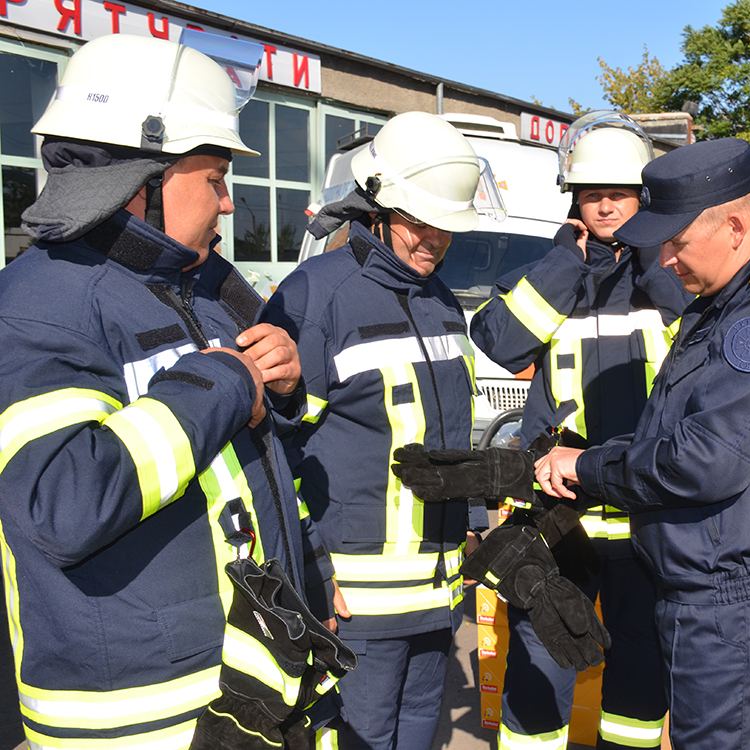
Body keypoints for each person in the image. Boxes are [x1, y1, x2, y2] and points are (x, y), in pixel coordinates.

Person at [0, 32, 342, 748]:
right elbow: (61, 504)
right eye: (214, 178)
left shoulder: (198, 287)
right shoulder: (37, 305)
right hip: (143, 709)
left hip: (242, 674)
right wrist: (224, 381)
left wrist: (279, 388)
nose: (225, 204)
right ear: (141, 179)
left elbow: (252, 464)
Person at [524, 138, 750, 750]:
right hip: (706, 591)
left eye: (676, 242)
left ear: (732, 226)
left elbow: (704, 459)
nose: (664, 260)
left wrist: (587, 466)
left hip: (736, 598)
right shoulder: (723, 305)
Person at [261, 111, 505, 750]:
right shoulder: (318, 295)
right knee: (359, 735)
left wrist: (475, 518)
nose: (433, 241)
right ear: (377, 204)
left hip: (438, 576)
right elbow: (275, 447)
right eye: (418, 222)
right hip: (356, 595)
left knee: (421, 726)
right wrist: (308, 566)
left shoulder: (442, 300)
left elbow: (453, 426)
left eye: (445, 227)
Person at [469, 111, 690, 750]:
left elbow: (695, 332)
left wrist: (652, 254)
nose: (605, 205)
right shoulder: (552, 271)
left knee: (640, 659)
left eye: (620, 192)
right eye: (591, 193)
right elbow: (501, 341)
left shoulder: (670, 273)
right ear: (572, 199)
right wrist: (567, 261)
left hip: (641, 507)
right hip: (556, 509)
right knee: (540, 656)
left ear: (643, 196)